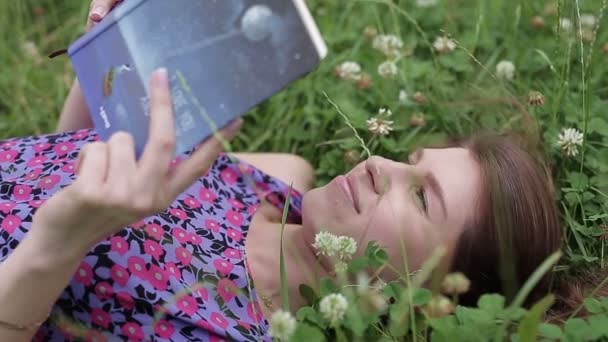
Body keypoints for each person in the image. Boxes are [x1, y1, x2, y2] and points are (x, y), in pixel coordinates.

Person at [0, 1, 590, 341]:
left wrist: (62, 240)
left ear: (435, 298)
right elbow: (67, 155)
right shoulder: (275, 179)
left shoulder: (224, 329)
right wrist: (106, 55)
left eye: (421, 199)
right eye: (409, 162)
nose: (378, 167)